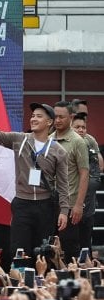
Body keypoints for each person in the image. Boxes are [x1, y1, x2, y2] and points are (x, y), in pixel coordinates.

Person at [0, 99, 69, 258]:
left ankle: (41, 280)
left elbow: (64, 184)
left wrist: (64, 210)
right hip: (22, 205)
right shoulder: (19, 139)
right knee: (19, 252)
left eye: (39, 116)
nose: (33, 118)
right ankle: (21, 280)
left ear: (49, 122)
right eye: (33, 115)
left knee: (43, 252)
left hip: (46, 207)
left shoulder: (59, 151)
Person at [51, 101, 89, 262]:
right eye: (55, 117)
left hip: (70, 206)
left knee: (69, 250)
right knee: (50, 250)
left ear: (71, 118)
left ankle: (74, 285)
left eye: (61, 117)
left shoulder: (78, 142)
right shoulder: (47, 139)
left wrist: (79, 204)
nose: (57, 120)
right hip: (49, 204)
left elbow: (84, 174)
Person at [72, 112, 102, 254]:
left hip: (88, 205)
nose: (81, 130)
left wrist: (84, 185)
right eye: (77, 127)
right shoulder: (61, 144)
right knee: (69, 243)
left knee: (85, 245)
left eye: (83, 127)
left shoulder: (90, 143)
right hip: (67, 206)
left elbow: (97, 173)